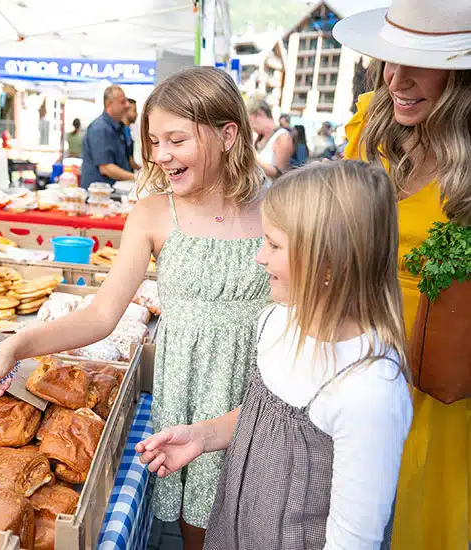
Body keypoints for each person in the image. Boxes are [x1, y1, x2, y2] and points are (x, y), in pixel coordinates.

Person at [0, 67, 269, 550]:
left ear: (228, 134)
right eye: (154, 141)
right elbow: (100, 315)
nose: (161, 155)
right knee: (200, 532)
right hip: (189, 391)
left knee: (260, 525)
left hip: (259, 390)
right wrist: (14, 345)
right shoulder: (155, 212)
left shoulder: (277, 207)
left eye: (176, 139)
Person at [137, 160, 413, 550]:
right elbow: (263, 417)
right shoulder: (277, 322)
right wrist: (202, 436)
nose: (259, 258)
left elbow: (355, 540)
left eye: (274, 245)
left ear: (330, 262)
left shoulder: (370, 391)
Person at [333, 1, 471, 548]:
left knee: (417, 522)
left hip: (438, 381)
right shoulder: (371, 122)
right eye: (390, 58)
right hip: (354, 362)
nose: (396, 78)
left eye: (420, 61)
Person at [80, 85, 133, 189]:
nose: (127, 105)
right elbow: (105, 168)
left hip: (114, 191)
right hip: (99, 197)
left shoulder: (119, 128)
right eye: (122, 102)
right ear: (109, 104)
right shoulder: (99, 128)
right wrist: (136, 177)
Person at [247, 99, 293, 181]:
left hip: (270, 192)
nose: (250, 126)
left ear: (261, 114)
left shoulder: (282, 136)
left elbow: (281, 174)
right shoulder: (259, 137)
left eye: (250, 121)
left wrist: (253, 156)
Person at [123, 98, 141, 171]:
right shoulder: (124, 131)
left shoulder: (128, 130)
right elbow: (129, 158)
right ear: (126, 112)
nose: (136, 114)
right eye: (134, 111)